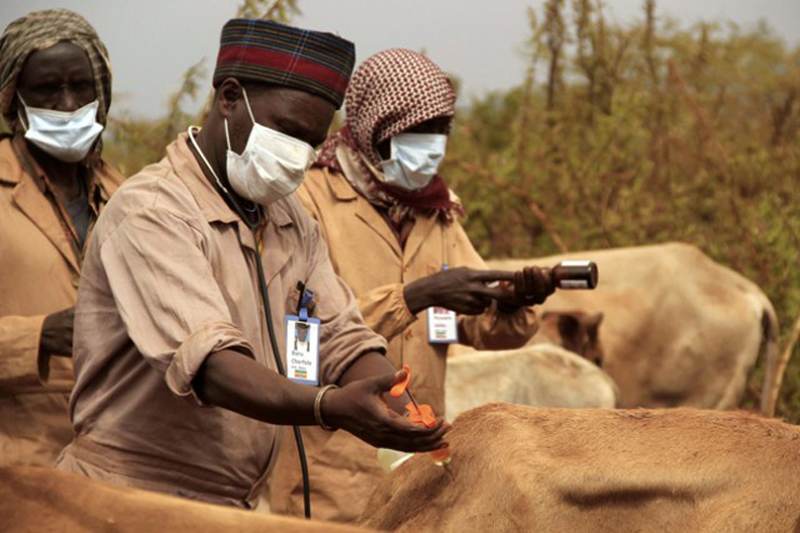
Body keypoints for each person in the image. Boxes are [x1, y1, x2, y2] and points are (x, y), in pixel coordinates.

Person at [56, 20, 447, 510]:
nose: (299, 156)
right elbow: (212, 366)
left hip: (238, 501)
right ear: (229, 97)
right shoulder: (152, 211)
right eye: (287, 130)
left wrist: (398, 402)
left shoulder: (289, 218)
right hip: (129, 498)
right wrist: (329, 407)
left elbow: (339, 335)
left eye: (312, 141)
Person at [268, 49, 554, 522]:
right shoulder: (306, 200)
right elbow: (294, 330)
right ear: (375, 129)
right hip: (333, 465)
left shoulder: (437, 211)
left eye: (441, 132)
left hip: (420, 455)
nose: (433, 147)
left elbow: (482, 329)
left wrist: (512, 302)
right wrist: (417, 296)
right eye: (418, 133)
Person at [0, 9, 124, 468]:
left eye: (81, 87)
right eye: (48, 91)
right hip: (17, 464)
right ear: (14, 98)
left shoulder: (124, 194)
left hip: (112, 463)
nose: (68, 104)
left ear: (102, 94)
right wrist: (36, 335)